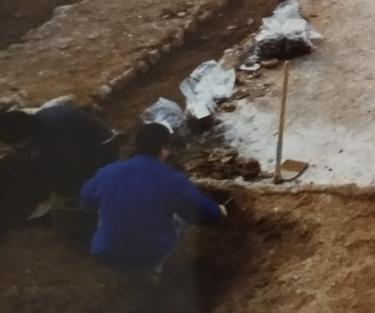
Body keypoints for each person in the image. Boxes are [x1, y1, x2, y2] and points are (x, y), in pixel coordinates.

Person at [79, 123, 225, 273]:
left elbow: (85, 199)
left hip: (104, 252)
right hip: (146, 255)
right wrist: (218, 211)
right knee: (179, 218)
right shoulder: (171, 178)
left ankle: (127, 265)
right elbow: (200, 211)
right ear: (163, 149)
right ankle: (156, 269)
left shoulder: (108, 171)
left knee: (108, 209)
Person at [0, 103, 121, 202]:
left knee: (73, 189)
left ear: (22, 136)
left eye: (16, 144)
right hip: (85, 147)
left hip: (105, 150)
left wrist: (55, 189)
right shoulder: (39, 122)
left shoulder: (55, 131)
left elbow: (70, 166)